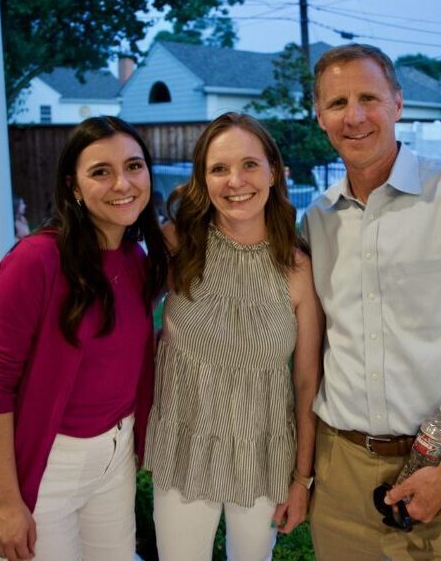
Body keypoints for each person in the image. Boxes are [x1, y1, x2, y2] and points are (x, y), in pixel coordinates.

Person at [301, 44, 441, 560]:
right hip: (341, 478)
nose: (354, 116)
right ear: (319, 117)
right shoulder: (316, 221)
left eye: (369, 98)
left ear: (398, 104)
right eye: (337, 103)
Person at [0, 116, 168, 561]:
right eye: (101, 171)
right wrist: (7, 502)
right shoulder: (35, 261)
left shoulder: (137, 258)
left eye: (134, 166)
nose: (123, 182)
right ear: (74, 187)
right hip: (46, 466)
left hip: (114, 459)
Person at [144, 112, 323, 560]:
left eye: (249, 165)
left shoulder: (298, 268)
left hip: (263, 454)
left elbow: (307, 384)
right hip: (184, 445)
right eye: (218, 168)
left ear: (274, 172)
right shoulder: (176, 242)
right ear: (202, 180)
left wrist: (302, 479)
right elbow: (123, 327)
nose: (234, 181)